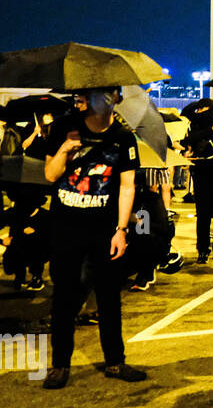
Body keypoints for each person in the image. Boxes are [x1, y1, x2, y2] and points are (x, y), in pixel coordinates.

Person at [41, 86, 146, 389]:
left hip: (104, 229)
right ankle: (60, 365)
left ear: (116, 99)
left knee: (109, 296)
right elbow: (49, 175)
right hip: (65, 227)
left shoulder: (124, 137)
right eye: (96, 93)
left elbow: (127, 187)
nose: (100, 98)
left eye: (108, 93)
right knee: (63, 298)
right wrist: (64, 149)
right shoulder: (64, 126)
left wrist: (121, 230)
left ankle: (115, 361)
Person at [182, 99, 213, 263]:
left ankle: (210, 249)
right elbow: (192, 137)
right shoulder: (205, 122)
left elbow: (192, 137)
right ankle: (212, 249)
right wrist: (210, 128)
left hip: (210, 170)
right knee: (212, 213)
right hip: (210, 170)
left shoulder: (211, 120)